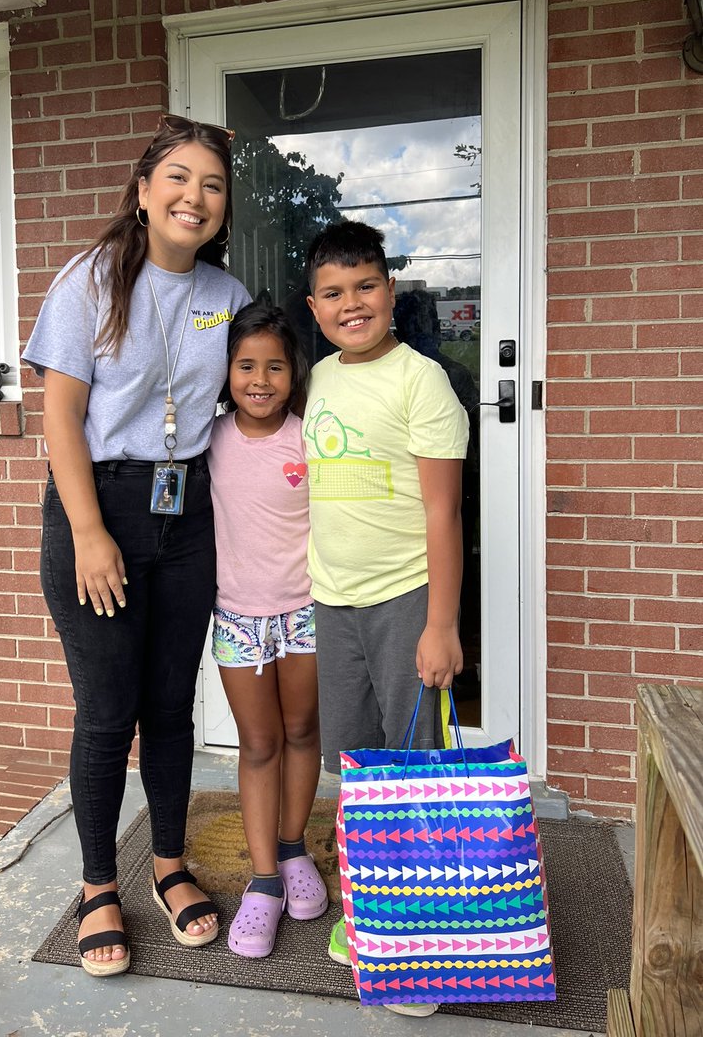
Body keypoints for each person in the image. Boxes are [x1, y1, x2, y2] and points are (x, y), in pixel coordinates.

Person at [23, 115, 250, 977]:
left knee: (169, 705)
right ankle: (96, 886)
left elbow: (254, 395)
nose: (196, 197)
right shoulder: (89, 280)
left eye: (213, 185)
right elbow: (60, 414)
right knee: (106, 712)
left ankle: (167, 865)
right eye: (180, 179)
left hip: (187, 512)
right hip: (102, 507)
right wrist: (89, 533)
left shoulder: (225, 296)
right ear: (146, 189)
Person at [303, 221, 469, 1019]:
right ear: (313, 307)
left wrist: (442, 626)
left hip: (405, 600)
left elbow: (444, 514)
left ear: (390, 291)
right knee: (356, 767)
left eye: (365, 286)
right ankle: (369, 910)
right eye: (333, 293)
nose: (352, 304)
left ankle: (421, 941)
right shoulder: (317, 380)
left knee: (415, 769)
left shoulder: (420, 381)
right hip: (333, 602)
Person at [207, 301, 327, 959]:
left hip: (306, 613)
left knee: (302, 731)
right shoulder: (208, 439)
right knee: (259, 745)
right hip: (238, 617)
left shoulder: (310, 438)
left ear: (293, 371)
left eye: (275, 366)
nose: (260, 380)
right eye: (246, 365)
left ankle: (291, 847)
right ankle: (263, 881)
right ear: (226, 371)